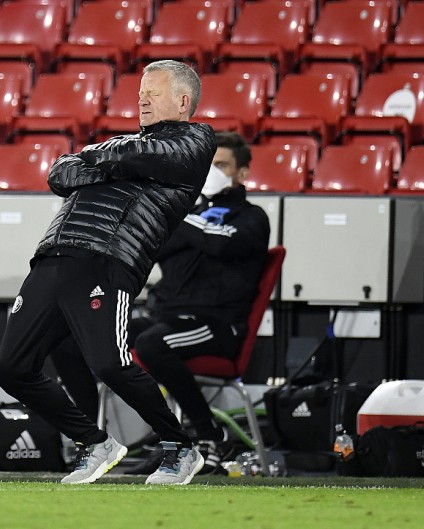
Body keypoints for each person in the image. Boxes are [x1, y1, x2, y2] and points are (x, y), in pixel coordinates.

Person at [0, 60, 217, 486]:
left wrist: (101, 159)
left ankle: (180, 447)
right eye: (140, 92)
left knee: (111, 365)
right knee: (11, 369)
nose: (142, 99)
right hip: (54, 255)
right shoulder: (122, 144)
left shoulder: (196, 138)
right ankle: (94, 442)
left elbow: (142, 156)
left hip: (109, 259)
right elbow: (61, 173)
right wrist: (111, 158)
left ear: (183, 101)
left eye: (153, 92)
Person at [53, 131, 271, 474]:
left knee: (153, 344)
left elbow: (220, 243)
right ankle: (92, 438)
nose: (211, 173)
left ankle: (207, 436)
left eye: (222, 166)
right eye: (207, 166)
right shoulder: (187, 215)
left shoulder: (251, 217)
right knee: (67, 340)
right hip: (165, 317)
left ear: (242, 173)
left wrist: (174, 213)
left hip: (216, 325)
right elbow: (151, 249)